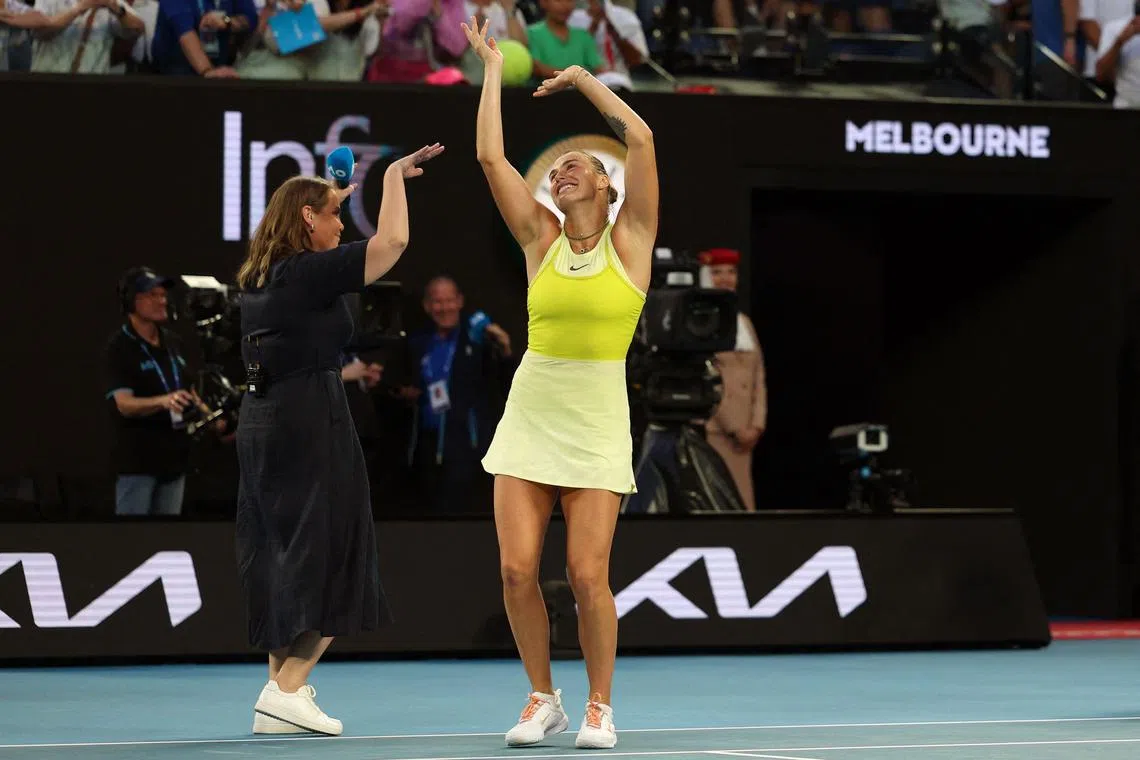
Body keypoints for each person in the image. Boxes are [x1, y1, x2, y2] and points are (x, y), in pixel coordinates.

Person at [463, 16, 658, 750]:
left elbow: (640, 138)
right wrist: (490, 68)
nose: (565, 168)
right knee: (517, 572)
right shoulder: (540, 241)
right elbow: (490, 157)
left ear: (607, 190)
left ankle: (600, 706)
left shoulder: (631, 240)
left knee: (584, 576)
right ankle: (541, 697)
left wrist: (581, 80)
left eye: (582, 165)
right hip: (531, 415)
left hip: (597, 421)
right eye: (560, 167)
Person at [233, 141, 444, 736]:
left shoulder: (265, 273)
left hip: (264, 419)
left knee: (281, 553)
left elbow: (332, 233)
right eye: (331, 217)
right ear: (306, 219)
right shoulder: (307, 272)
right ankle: (291, 685)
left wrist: (332, 194)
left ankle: (279, 695)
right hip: (308, 416)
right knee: (335, 545)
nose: (340, 227)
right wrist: (396, 177)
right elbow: (393, 244)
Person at [104, 267, 216, 516]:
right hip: (138, 463)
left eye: (162, 295)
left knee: (167, 540)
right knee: (133, 542)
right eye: (152, 295)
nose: (162, 300)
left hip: (174, 461)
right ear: (132, 301)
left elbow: (187, 392)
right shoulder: (120, 348)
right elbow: (124, 404)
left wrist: (211, 418)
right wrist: (163, 401)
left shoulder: (173, 342)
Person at [403, 275, 515, 514]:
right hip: (427, 442)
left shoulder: (477, 339)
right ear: (426, 305)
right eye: (437, 302)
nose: (444, 308)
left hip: (467, 442)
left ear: (460, 301)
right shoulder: (418, 342)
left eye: (449, 300)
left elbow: (506, 384)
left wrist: (504, 349)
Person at [698, 248, 767, 511]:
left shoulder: (743, 323)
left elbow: (759, 377)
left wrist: (757, 424)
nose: (725, 278)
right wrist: (734, 427)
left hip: (746, 435)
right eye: (717, 272)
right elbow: (707, 377)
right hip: (716, 430)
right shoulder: (700, 322)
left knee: (743, 503)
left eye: (730, 272)